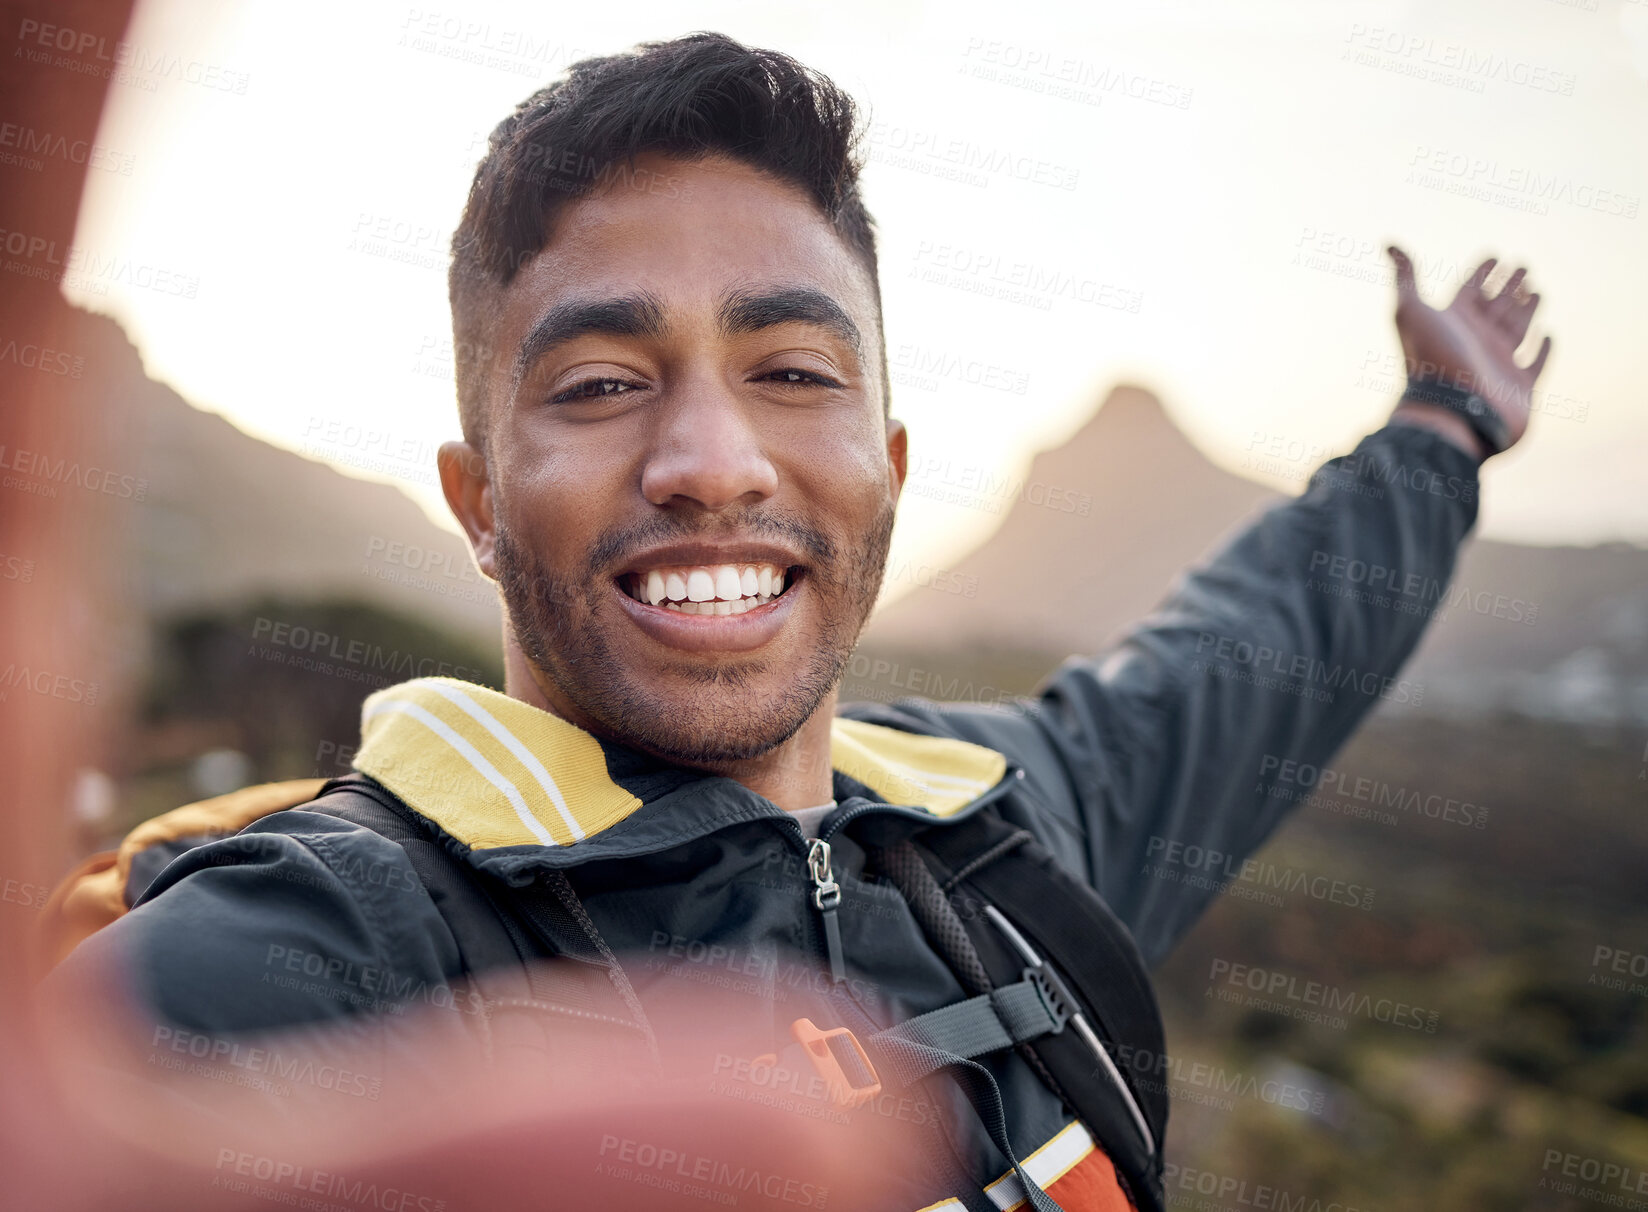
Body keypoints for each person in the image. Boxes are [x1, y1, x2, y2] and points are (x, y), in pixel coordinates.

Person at [44, 30, 1551, 1212]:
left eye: (792, 370)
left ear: (886, 470)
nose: (713, 459)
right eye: (601, 383)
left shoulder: (997, 844)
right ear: (479, 498)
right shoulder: (321, 956)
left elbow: (1245, 663)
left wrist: (1442, 424)